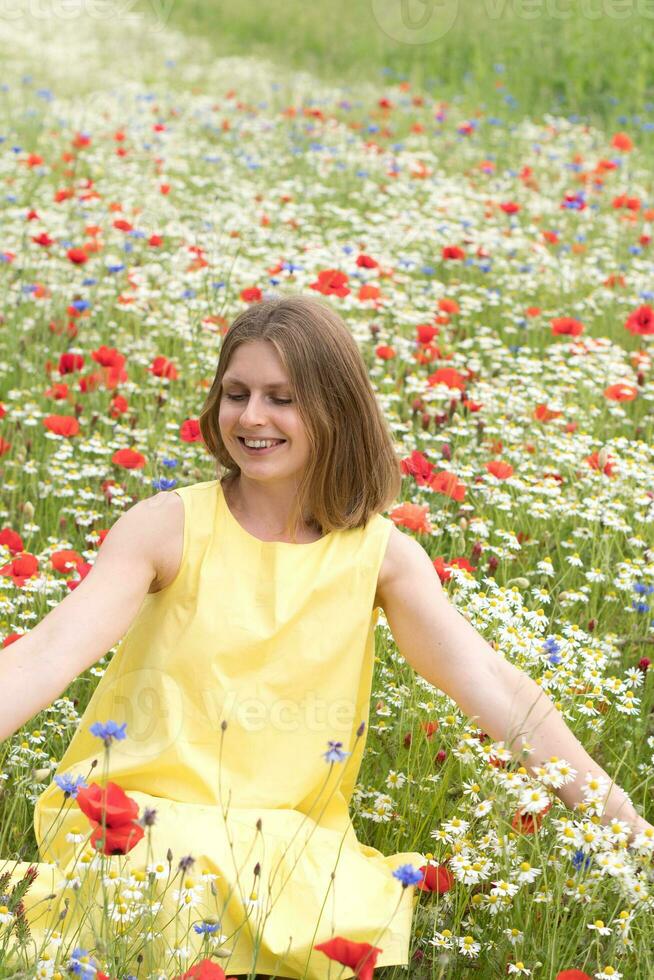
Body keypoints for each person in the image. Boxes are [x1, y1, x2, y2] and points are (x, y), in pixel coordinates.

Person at [0, 294, 651, 979]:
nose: (251, 417)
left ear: (335, 408)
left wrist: (624, 825)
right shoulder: (167, 526)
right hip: (137, 825)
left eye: (282, 398)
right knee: (170, 881)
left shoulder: (380, 555)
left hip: (284, 838)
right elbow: (46, 655)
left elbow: (492, 684)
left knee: (318, 904)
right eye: (236, 393)